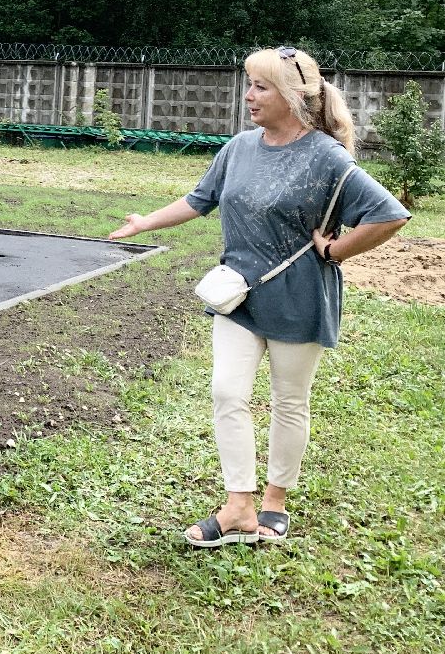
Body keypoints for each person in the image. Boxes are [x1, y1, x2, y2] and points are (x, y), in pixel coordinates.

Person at [108, 46, 410, 546]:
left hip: (300, 297)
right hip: (238, 295)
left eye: (260, 87)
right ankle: (239, 507)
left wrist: (337, 251)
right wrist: (146, 221)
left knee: (290, 402)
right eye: (248, 84)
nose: (248, 96)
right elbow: (198, 199)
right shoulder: (240, 148)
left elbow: (390, 214)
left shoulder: (327, 158)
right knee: (228, 393)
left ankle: (274, 503)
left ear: (292, 96)